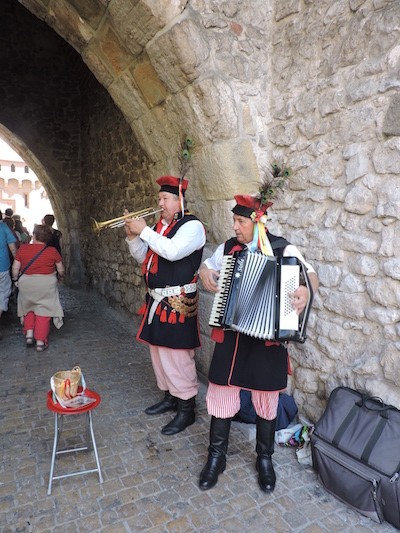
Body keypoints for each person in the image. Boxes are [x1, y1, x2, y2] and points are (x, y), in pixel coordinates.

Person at [198, 192, 319, 493]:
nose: (235, 227)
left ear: (257, 222)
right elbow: (205, 267)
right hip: (233, 337)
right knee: (222, 393)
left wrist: (305, 291)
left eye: (240, 221)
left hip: (268, 341)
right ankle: (216, 457)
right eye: (234, 220)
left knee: (267, 400)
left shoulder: (282, 247)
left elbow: (311, 276)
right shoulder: (229, 247)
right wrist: (205, 275)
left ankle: (264, 459)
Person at [124, 175, 206, 435]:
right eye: (159, 198)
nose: (160, 203)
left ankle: (186, 409)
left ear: (179, 200)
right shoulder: (160, 227)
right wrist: (132, 237)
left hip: (178, 301)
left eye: (165, 199)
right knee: (159, 353)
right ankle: (171, 397)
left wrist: (144, 230)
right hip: (156, 300)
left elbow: (172, 251)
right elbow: (143, 257)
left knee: (177, 356)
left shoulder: (192, 227)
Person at [11, 224, 65, 352]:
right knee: (43, 311)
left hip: (27, 283)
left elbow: (15, 268)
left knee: (28, 307)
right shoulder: (52, 251)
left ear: (34, 235)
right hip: (46, 284)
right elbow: (61, 269)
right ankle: (40, 342)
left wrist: (15, 279)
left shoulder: (23, 249)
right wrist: (60, 277)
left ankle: (29, 335)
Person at [0, 210, 17, 339]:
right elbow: (12, 248)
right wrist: (17, 262)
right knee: (2, 294)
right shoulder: (4, 228)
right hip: (3, 267)